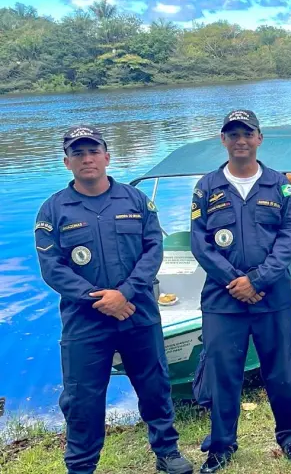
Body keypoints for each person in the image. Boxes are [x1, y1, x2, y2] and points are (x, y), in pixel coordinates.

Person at [34, 126, 193, 474]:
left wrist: (125, 293)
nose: (87, 159)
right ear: (67, 162)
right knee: (81, 398)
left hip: (137, 312)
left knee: (154, 386)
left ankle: (167, 451)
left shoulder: (136, 201)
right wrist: (99, 299)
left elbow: (153, 250)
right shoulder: (53, 210)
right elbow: (52, 268)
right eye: (78, 153)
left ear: (107, 156)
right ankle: (81, 465)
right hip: (84, 321)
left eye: (93, 151)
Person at [190, 110, 291, 472]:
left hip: (272, 296)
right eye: (233, 134)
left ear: (259, 138)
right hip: (222, 300)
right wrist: (234, 281)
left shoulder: (280, 185)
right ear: (223, 140)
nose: (240, 140)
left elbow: (289, 238)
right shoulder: (206, 187)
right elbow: (200, 243)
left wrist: (257, 280)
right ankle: (221, 446)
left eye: (247, 133)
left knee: (282, 370)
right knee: (223, 374)